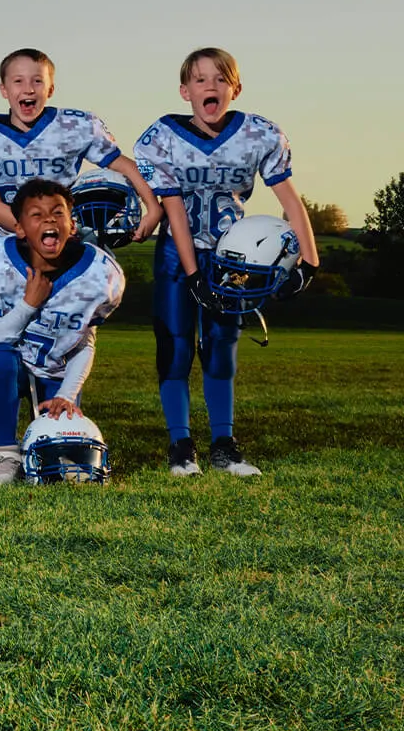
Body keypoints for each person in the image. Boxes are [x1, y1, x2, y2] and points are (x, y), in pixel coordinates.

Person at [133, 47, 318, 478]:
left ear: (235, 88)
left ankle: (224, 445)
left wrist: (309, 262)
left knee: (221, 349)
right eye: (200, 80)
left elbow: (289, 198)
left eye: (220, 78)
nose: (210, 86)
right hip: (179, 253)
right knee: (175, 348)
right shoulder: (162, 136)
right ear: (185, 91)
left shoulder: (258, 134)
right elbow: (174, 209)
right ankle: (180, 445)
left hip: (235, 257)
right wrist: (193, 271)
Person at [0, 180, 127, 485]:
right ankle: (4, 451)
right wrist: (29, 304)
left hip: (57, 368)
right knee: (0, 359)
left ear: (72, 224)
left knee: (61, 456)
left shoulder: (100, 273)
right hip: (14, 363)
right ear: (20, 229)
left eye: (57, 213)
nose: (49, 220)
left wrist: (67, 394)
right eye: (37, 215)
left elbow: (85, 344)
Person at [0, 48, 160, 244]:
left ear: (50, 89)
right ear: (4, 89)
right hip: (7, 243)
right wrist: (41, 232)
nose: (28, 88)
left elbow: (123, 165)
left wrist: (154, 209)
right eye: (18, 81)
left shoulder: (75, 125)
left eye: (37, 81)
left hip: (64, 239)